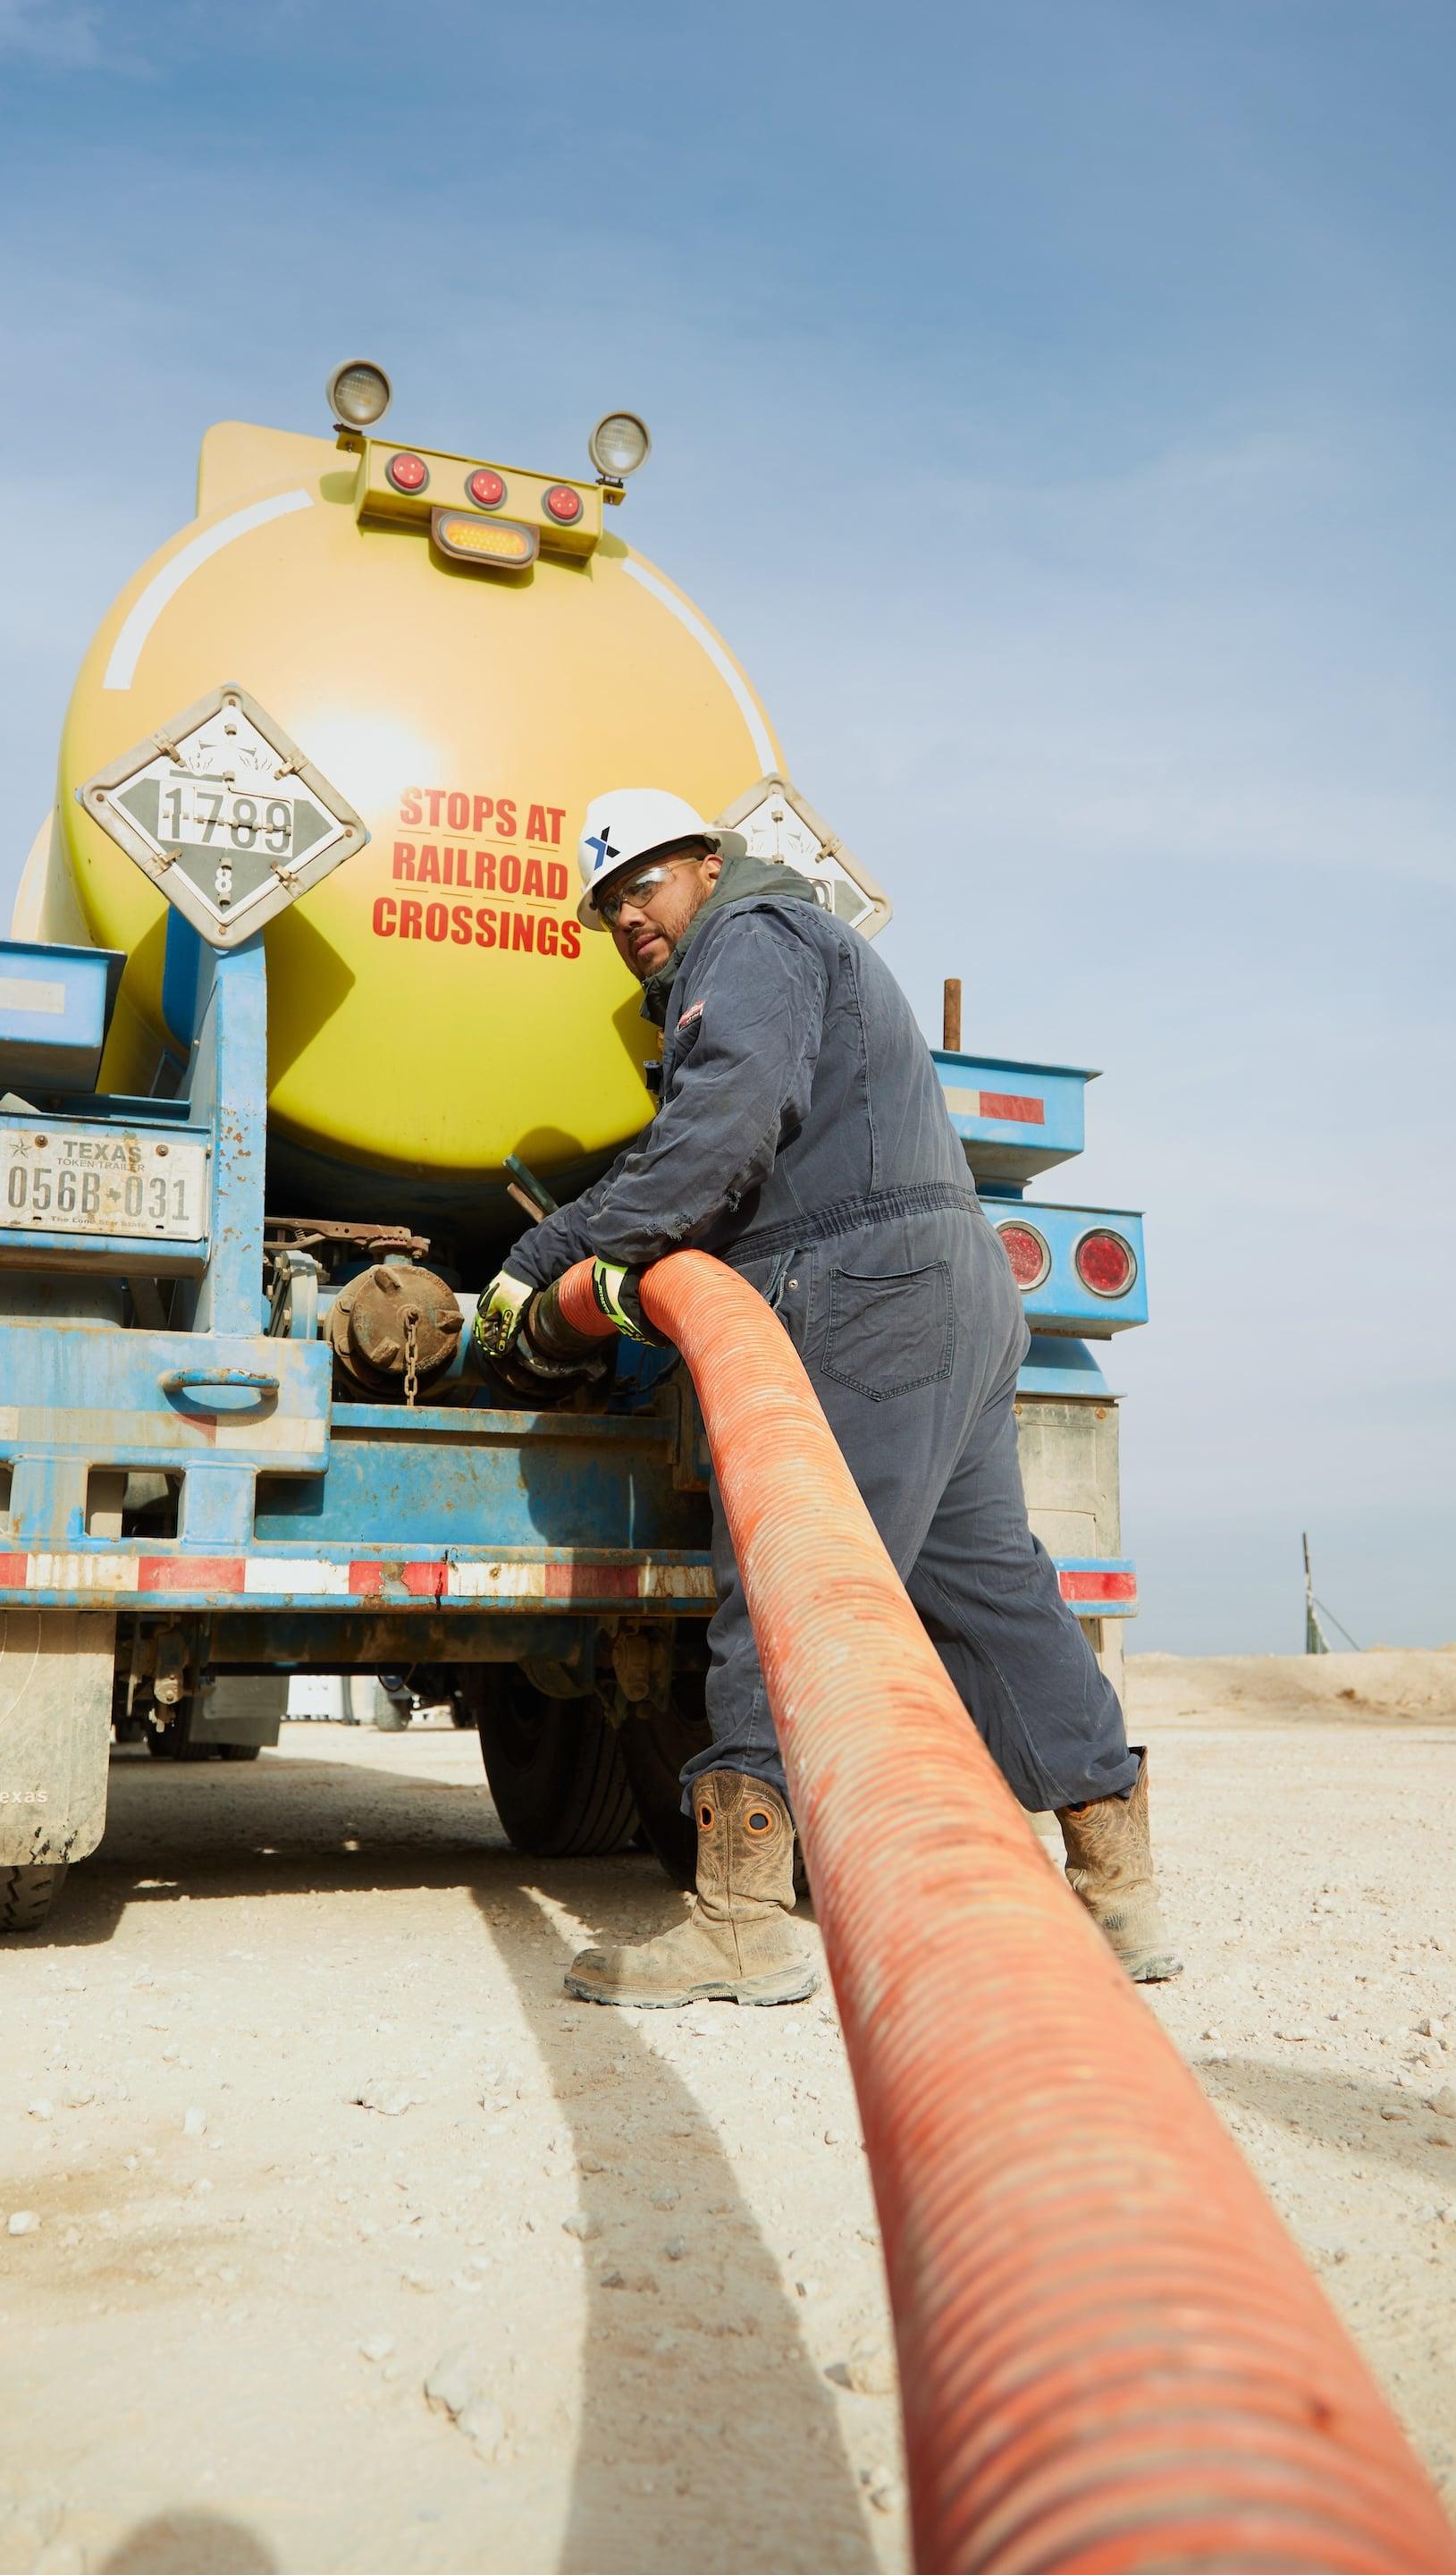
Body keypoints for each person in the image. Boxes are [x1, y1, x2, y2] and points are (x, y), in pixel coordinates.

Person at [476, 787, 1181, 2008]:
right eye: (606, 904)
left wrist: (540, 1264)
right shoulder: (798, 948)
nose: (628, 915)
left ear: (706, 861)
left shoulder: (750, 941)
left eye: (644, 882)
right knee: (987, 1585)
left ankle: (744, 1916)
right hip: (945, 1281)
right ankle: (1119, 1886)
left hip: (857, 1282)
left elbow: (713, 1141)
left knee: (782, 1576)